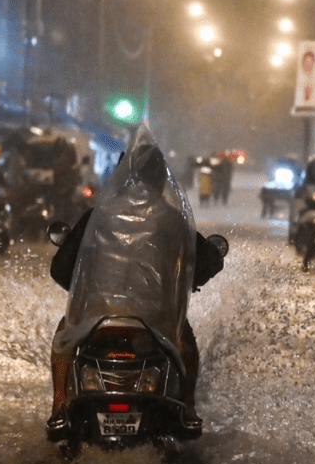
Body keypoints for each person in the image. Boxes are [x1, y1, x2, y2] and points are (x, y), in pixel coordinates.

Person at [47, 142, 225, 428]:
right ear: (160, 178)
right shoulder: (171, 218)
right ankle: (188, 407)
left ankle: (59, 405)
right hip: (156, 322)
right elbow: (208, 262)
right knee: (186, 342)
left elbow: (60, 269)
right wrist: (188, 280)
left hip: (96, 318)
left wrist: (84, 287)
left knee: (62, 337)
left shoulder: (97, 217)